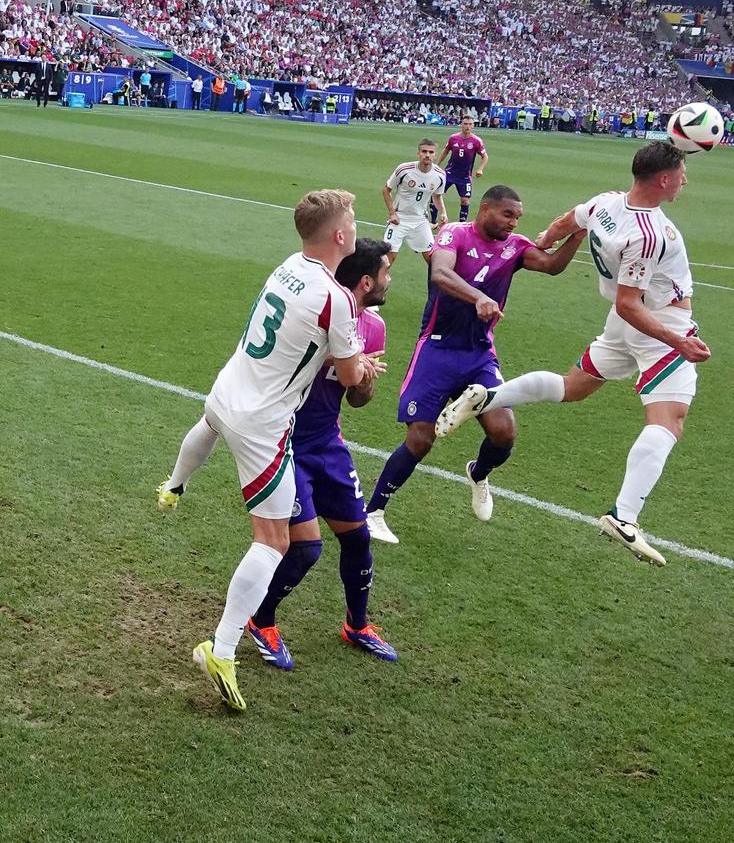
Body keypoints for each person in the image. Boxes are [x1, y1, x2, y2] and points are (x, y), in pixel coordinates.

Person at [435, 143, 711, 567]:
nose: (685, 180)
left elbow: (569, 219)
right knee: (669, 419)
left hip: (625, 329)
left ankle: (487, 398)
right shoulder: (649, 234)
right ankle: (625, 516)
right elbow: (628, 303)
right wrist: (680, 342)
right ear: (663, 179)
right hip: (657, 326)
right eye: (681, 173)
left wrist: (545, 241)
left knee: (573, 387)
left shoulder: (606, 202)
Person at [156, 190, 377, 711]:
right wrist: (363, 364)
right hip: (263, 424)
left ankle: (173, 486)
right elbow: (349, 377)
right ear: (341, 235)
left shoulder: (287, 266)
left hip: (228, 390)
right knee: (274, 541)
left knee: (207, 422)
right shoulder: (338, 299)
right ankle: (222, 646)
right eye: (351, 220)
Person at [364, 186, 586, 545]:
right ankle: (374, 512)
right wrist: (479, 296)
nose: (513, 224)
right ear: (485, 210)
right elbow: (440, 274)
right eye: (508, 215)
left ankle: (478, 473)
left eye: (517, 218)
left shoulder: (515, 246)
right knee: (420, 440)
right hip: (437, 350)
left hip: (480, 353)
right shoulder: (455, 233)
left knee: (504, 433)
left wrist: (579, 232)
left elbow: (551, 265)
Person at [244, 239, 397, 669]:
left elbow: (360, 399)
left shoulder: (374, 327)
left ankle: (357, 624)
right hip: (284, 441)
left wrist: (363, 374)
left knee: (358, 538)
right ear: (366, 281)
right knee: (305, 549)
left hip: (328, 443)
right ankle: (261, 620)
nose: (390, 280)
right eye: (386, 273)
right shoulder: (314, 312)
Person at [381, 139, 447, 267]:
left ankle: (436, 287)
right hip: (399, 219)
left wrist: (443, 212)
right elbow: (386, 190)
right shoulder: (404, 169)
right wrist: (392, 213)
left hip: (420, 220)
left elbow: (437, 196)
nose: (427, 155)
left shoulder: (440, 175)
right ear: (418, 153)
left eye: (431, 152)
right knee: (387, 261)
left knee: (433, 261)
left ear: (435, 155)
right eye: (424, 151)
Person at [437, 116, 487, 223]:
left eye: (470, 124)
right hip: (449, 173)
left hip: (464, 176)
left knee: (465, 201)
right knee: (437, 194)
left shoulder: (476, 141)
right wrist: (437, 164)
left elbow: (485, 157)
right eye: (465, 124)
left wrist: (480, 169)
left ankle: (462, 224)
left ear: (473, 125)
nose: (467, 126)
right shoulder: (453, 138)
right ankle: (433, 221)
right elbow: (445, 151)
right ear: (461, 124)